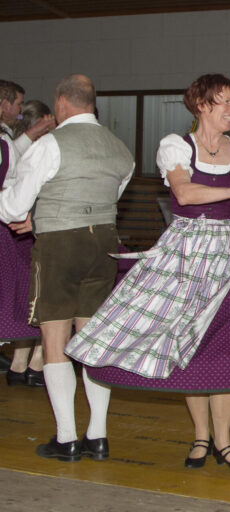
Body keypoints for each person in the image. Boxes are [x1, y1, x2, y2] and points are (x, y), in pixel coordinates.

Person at [65, 73, 230, 474]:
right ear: (203, 105)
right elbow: (185, 193)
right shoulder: (176, 146)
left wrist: (223, 223)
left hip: (227, 257)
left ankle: (224, 441)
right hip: (184, 254)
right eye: (225, 101)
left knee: (228, 345)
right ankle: (200, 436)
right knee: (187, 341)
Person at [0, 74, 135, 462]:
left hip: (60, 245)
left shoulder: (50, 144)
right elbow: (103, 199)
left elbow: (14, 207)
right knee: (91, 338)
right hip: (104, 244)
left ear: (60, 103)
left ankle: (67, 439)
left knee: (55, 337)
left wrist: (28, 213)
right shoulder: (120, 148)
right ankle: (98, 436)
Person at [1, 100, 51, 387]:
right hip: (30, 225)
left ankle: (20, 364)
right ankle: (36, 362)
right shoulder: (40, 149)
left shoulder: (15, 146)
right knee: (42, 293)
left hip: (16, 228)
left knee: (25, 296)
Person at [0, 80, 55, 158]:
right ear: (6, 106)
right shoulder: (3, 136)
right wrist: (35, 130)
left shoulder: (7, 132)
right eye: (19, 104)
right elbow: (10, 156)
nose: (21, 108)